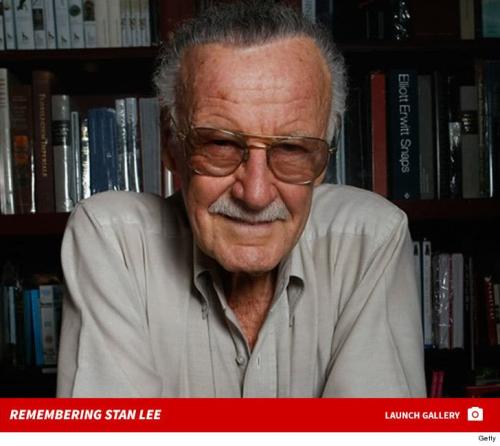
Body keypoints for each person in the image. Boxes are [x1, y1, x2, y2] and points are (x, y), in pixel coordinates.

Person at [57, 1, 426, 397]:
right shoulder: (114, 240)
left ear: (322, 162)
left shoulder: (371, 240)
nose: (255, 194)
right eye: (220, 144)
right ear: (170, 146)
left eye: (292, 149)